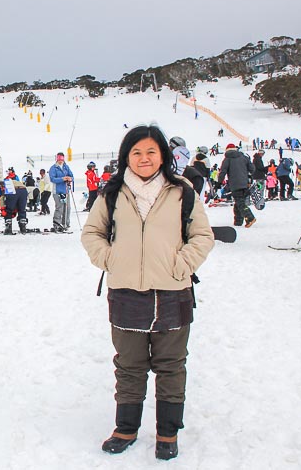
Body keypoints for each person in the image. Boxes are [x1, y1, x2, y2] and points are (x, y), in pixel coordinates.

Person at [81, 125, 214, 461]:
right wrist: (110, 258)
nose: (144, 158)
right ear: (127, 156)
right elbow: (92, 233)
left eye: (151, 152)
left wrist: (182, 264)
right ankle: (126, 427)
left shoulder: (181, 191)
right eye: (136, 152)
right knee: (129, 364)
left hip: (173, 291)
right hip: (125, 291)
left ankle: (168, 432)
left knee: (171, 365)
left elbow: (202, 235)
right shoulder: (111, 193)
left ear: (163, 156)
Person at [218, 143, 257, 227]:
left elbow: (223, 172)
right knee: (238, 202)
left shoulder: (227, 159)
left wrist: (219, 182)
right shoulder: (244, 157)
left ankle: (250, 217)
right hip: (245, 183)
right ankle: (238, 222)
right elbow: (252, 169)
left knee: (240, 202)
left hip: (235, 184)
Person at [49, 152, 74, 232]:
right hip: (57, 191)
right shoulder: (53, 168)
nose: (60, 161)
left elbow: (72, 176)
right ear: (57, 159)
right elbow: (52, 179)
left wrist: (70, 179)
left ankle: (65, 224)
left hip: (66, 191)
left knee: (67, 208)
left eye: (62, 159)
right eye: (59, 159)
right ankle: (57, 223)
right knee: (60, 207)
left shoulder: (66, 167)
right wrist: (62, 179)